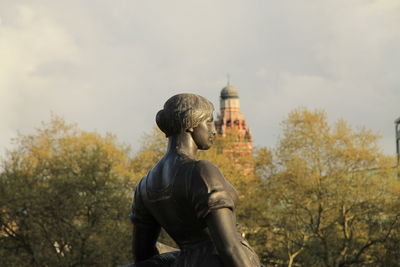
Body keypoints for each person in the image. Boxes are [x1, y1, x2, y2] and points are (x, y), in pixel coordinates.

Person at [130, 94, 261, 267]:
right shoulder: (202, 172)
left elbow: (143, 256)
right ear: (191, 123)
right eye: (209, 121)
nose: (213, 130)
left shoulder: (145, 185)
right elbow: (229, 247)